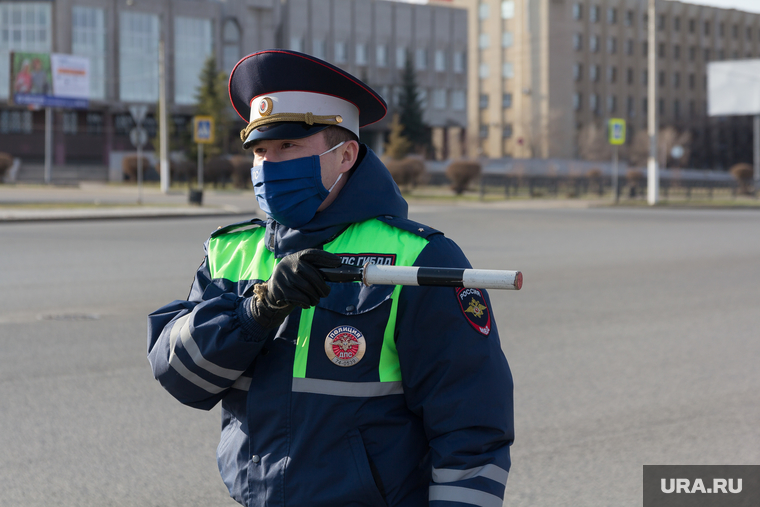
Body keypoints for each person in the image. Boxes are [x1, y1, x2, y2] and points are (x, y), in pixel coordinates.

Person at [148, 49, 514, 507]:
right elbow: (180, 376)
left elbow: (472, 425)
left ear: (345, 156)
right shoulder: (229, 251)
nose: (268, 166)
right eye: (260, 151)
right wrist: (254, 313)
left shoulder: (418, 257)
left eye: (289, 147)